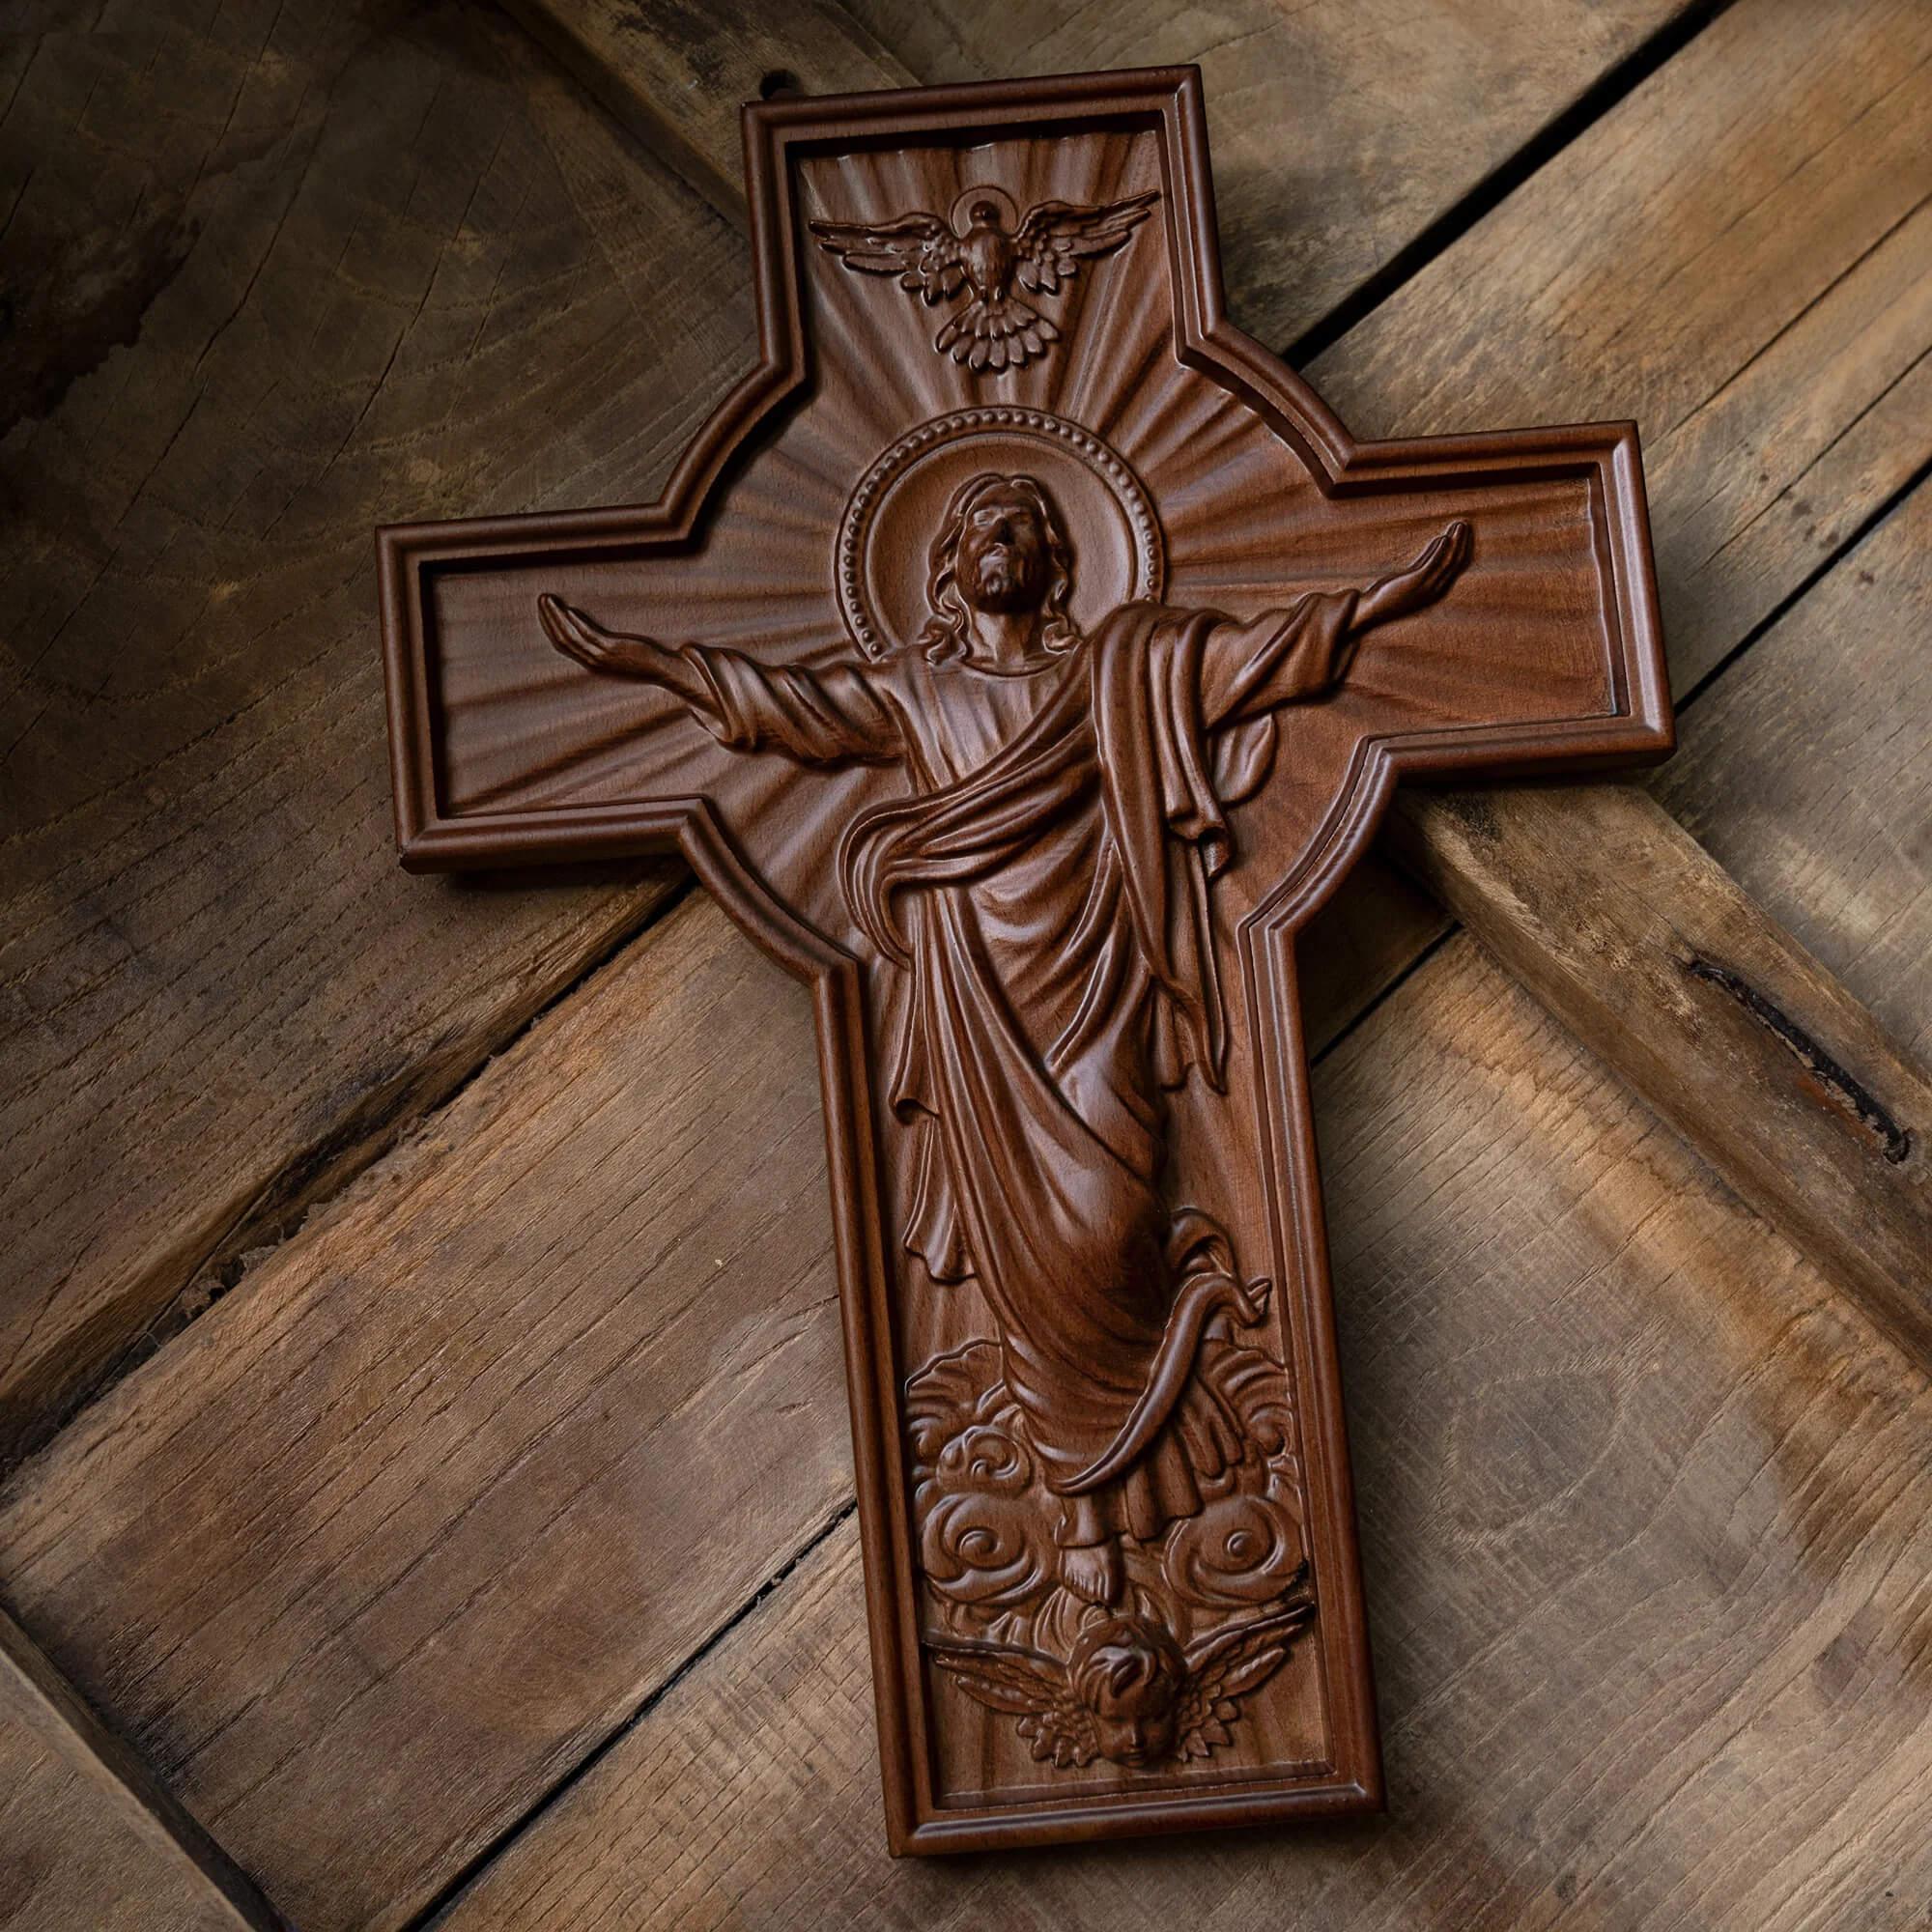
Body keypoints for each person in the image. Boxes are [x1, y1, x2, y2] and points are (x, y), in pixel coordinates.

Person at [541, 471, 1470, 1603]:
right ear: (945, 564)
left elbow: (1241, 665)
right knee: (1017, 1256)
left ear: (1054, 558)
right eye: (980, 523)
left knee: (1111, 1222)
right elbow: (789, 705)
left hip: (1098, 979)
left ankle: (1135, 1441)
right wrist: (640, 659)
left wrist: (1373, 602)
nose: (1001, 538)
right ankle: (1080, 1506)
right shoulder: (913, 688)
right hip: (979, 1001)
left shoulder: (1117, 670)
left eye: (1022, 522)